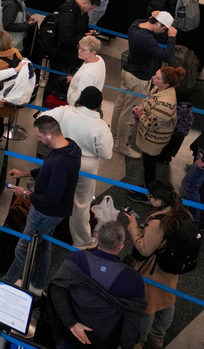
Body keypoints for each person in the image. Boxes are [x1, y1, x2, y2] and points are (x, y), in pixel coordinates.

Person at [0, 115, 82, 299]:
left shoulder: (60, 163)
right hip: (55, 213)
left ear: (49, 135)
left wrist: (25, 194)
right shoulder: (70, 147)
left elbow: (51, 198)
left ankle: (2, 288)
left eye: (40, 137)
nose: (39, 140)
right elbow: (47, 169)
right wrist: (25, 173)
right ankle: (37, 285)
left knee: (23, 249)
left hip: (45, 213)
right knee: (43, 246)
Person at [46, 220, 146, 349]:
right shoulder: (133, 279)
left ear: (97, 237)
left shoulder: (77, 259)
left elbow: (57, 290)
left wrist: (71, 323)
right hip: (105, 342)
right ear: (121, 246)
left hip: (71, 336)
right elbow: (132, 321)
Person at [121, 180, 194, 348]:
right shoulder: (183, 213)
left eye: (151, 197)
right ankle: (158, 337)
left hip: (153, 270)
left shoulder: (158, 222)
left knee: (148, 307)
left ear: (160, 200)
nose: (149, 200)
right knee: (168, 301)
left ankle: (140, 341)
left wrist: (134, 227)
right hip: (172, 267)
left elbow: (144, 249)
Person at [52, 87, 112, 250]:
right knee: (81, 204)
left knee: (55, 195)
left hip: (62, 159)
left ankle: (45, 229)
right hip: (86, 166)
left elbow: (43, 120)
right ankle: (81, 241)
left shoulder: (66, 111)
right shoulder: (101, 126)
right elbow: (106, 154)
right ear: (98, 105)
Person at [112, 11, 177, 159]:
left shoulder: (136, 25)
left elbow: (152, 28)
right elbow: (167, 55)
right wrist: (172, 38)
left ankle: (115, 136)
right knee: (129, 113)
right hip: (138, 79)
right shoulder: (146, 39)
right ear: (159, 23)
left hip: (128, 72)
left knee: (120, 106)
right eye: (164, 29)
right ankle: (121, 146)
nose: (164, 33)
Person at [126, 66, 183, 199]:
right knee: (148, 163)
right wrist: (142, 107)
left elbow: (153, 125)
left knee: (149, 165)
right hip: (151, 136)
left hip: (153, 140)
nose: (153, 78)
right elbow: (149, 101)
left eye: (157, 78)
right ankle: (148, 186)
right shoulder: (161, 89)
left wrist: (140, 114)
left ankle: (150, 193)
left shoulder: (165, 103)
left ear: (166, 83)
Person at [47, 0, 100, 92]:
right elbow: (65, 39)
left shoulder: (82, 13)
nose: (91, 11)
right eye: (90, 8)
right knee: (56, 85)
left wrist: (87, 32)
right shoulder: (68, 14)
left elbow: (78, 29)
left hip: (71, 57)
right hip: (61, 57)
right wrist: (83, 36)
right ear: (84, 3)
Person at [66, 35, 106, 105]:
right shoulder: (99, 59)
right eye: (79, 47)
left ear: (93, 52)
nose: (79, 51)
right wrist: (75, 79)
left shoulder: (87, 73)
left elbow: (80, 97)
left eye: (83, 50)